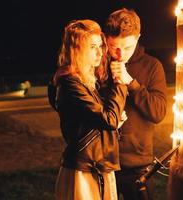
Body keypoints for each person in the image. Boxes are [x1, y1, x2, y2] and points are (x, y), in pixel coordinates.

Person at [49, 19, 131, 200]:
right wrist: (120, 82)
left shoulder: (86, 81)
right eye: (92, 46)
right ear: (76, 49)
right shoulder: (70, 83)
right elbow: (108, 119)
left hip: (98, 165)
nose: (100, 52)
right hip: (85, 170)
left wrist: (116, 121)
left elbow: (96, 123)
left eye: (100, 46)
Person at [103, 8, 167, 200]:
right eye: (114, 46)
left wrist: (131, 83)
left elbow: (158, 112)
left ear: (138, 37)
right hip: (103, 162)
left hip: (139, 166)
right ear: (106, 38)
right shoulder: (98, 63)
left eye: (127, 48)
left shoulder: (152, 66)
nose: (120, 54)